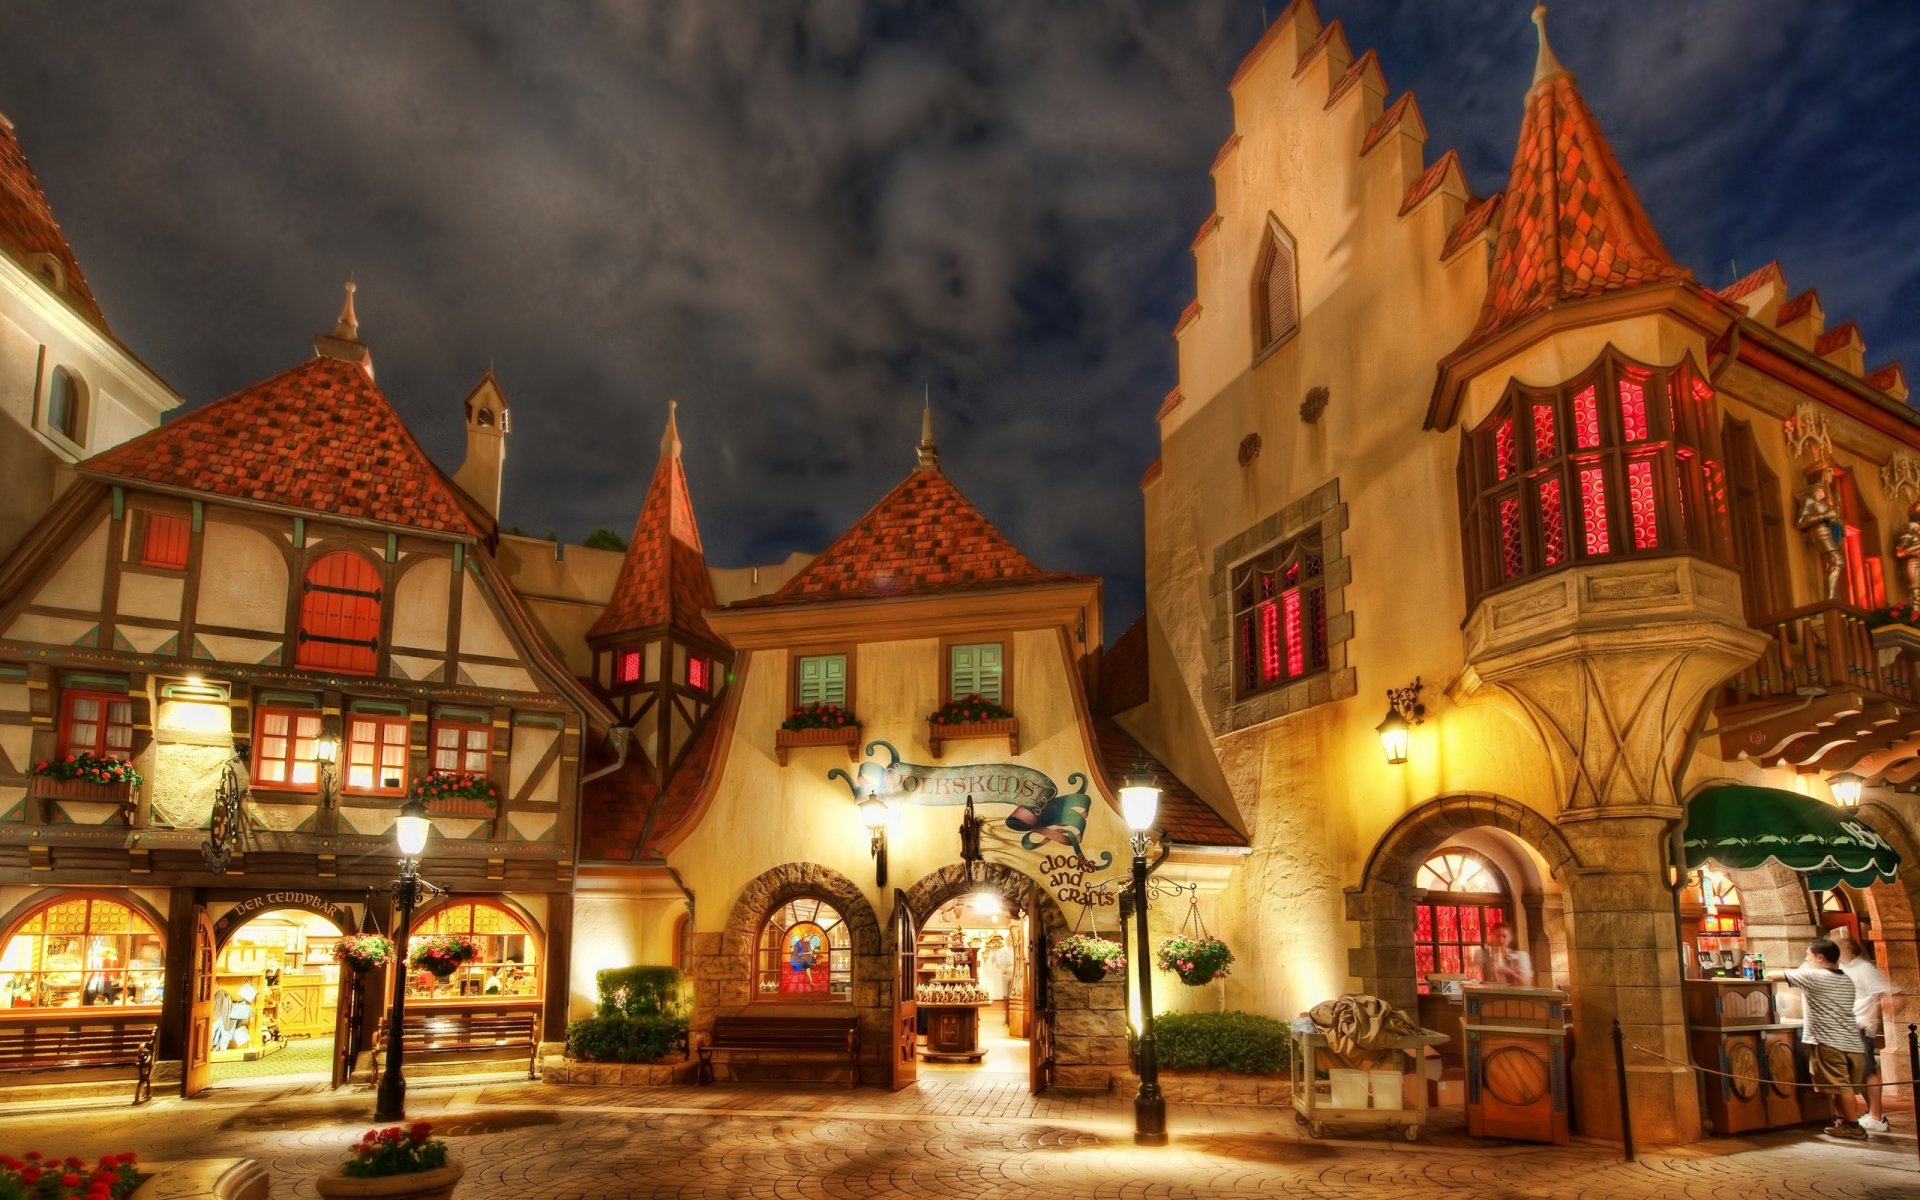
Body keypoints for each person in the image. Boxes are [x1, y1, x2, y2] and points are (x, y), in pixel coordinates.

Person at [1778, 938, 1866, 1140]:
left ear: (1820, 957)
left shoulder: (1815, 976)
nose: (1805, 960)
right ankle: (1844, 1122)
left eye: (1808, 956)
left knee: (1840, 1086)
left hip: (1830, 1042)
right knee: (1840, 1087)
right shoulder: (1845, 978)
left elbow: (1774, 975)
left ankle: (1854, 1126)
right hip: (1851, 1041)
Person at [1833, 929, 1896, 1134]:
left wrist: (1871, 1016)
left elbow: (1882, 994)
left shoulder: (1864, 968)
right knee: (1859, 1072)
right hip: (1848, 1026)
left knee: (1868, 1070)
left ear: (1846, 949)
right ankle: (1871, 1114)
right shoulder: (1843, 968)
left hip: (1860, 1025)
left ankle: (1877, 1116)